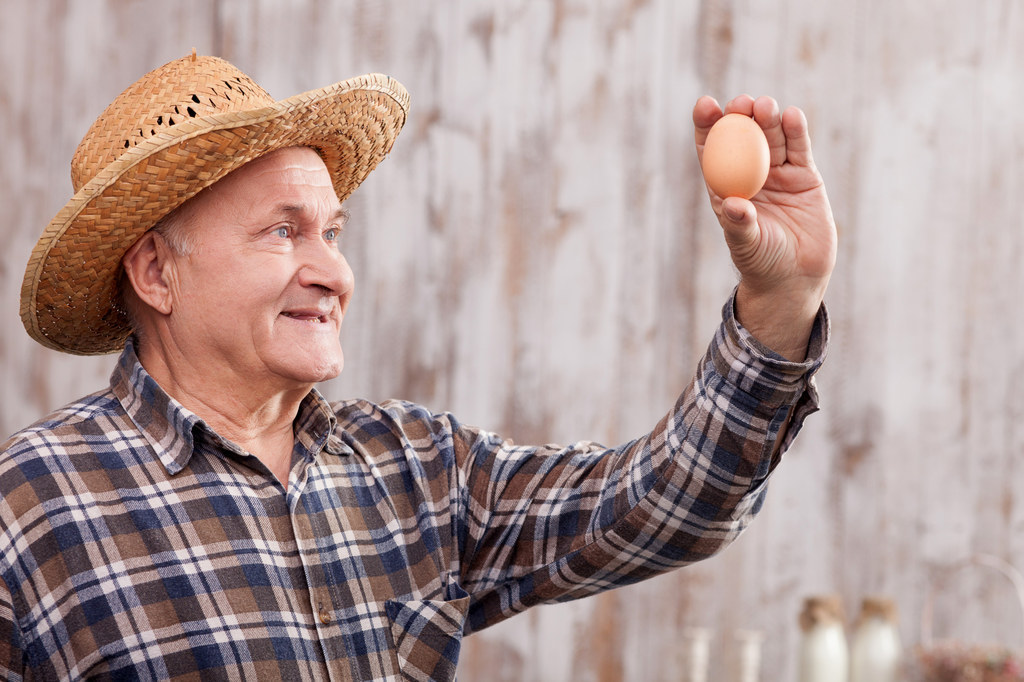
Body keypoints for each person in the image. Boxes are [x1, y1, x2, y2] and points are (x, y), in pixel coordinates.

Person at [0, 52, 834, 681]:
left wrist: (780, 302)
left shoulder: (416, 467)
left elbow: (662, 503)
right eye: (282, 231)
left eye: (332, 232)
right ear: (156, 274)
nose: (333, 272)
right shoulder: (30, 509)